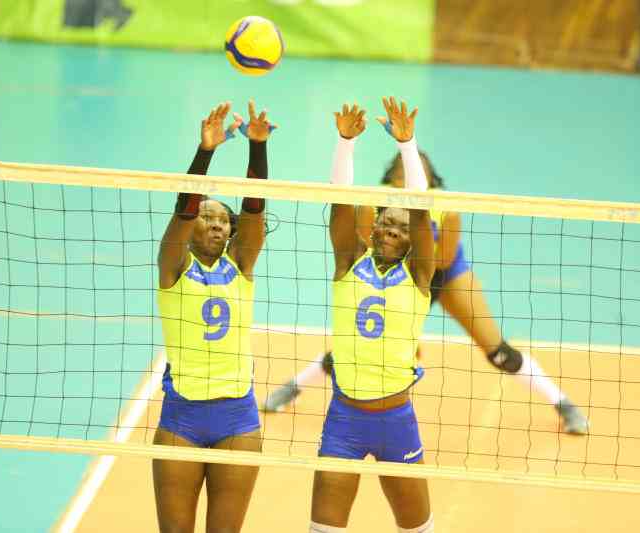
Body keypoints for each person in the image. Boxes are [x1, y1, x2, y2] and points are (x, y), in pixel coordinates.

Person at [264, 139, 589, 436]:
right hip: (392, 276)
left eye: (418, 169)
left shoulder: (446, 208)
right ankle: (293, 387)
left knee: (498, 352)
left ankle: (563, 404)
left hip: (444, 277)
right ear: (391, 177)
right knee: (359, 345)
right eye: (402, 169)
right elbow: (366, 248)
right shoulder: (372, 203)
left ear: (429, 179)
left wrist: (412, 298)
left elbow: (442, 260)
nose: (409, 172)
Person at [309, 97, 435, 533]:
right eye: (385, 221)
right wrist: (345, 143)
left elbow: (421, 208)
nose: (391, 230)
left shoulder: (419, 274)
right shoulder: (349, 260)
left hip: (397, 421)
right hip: (345, 418)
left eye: (402, 228)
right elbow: (340, 203)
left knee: (416, 528)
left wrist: (407, 145)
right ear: (374, 224)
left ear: (412, 240)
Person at [154, 100, 275, 533]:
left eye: (224, 220)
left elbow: (254, 211)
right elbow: (183, 210)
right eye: (208, 217)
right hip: (181, 417)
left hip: (237, 418)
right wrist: (205, 151)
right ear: (192, 227)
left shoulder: (241, 265)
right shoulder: (173, 267)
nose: (218, 224)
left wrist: (257, 147)